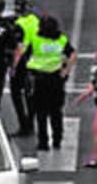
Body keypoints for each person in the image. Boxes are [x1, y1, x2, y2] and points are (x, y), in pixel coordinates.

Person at [18, 15, 76, 151]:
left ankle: (43, 142)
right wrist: (66, 71)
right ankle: (57, 139)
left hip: (39, 80)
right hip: (56, 79)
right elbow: (72, 54)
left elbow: (25, 55)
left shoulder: (36, 40)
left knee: (41, 112)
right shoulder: (61, 40)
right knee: (56, 112)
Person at [8, 0, 40, 137]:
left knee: (16, 93)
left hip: (22, 61)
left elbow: (20, 48)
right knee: (30, 94)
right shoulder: (34, 19)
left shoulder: (18, 24)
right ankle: (31, 122)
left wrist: (13, 66)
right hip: (35, 59)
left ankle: (23, 124)